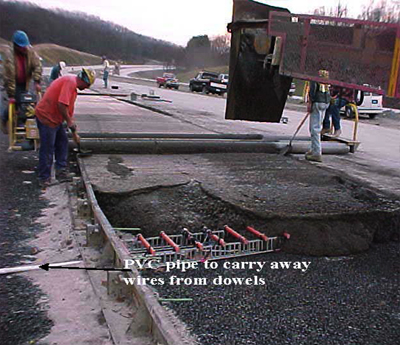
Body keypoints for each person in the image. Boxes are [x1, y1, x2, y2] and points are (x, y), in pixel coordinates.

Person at [34, 68, 96, 187]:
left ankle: (61, 172)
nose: (87, 88)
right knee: (48, 148)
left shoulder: (72, 85)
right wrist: (68, 121)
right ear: (85, 81)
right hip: (47, 117)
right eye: (88, 85)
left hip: (55, 119)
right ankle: (44, 178)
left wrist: (72, 126)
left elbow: (67, 108)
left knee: (62, 143)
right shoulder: (70, 82)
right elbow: (61, 104)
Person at [1, 30, 42, 134]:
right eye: (21, 46)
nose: (24, 48)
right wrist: (11, 95)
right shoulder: (10, 56)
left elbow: (37, 65)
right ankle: (5, 119)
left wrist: (37, 80)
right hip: (14, 82)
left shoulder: (30, 52)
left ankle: (22, 122)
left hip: (25, 81)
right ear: (16, 46)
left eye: (25, 46)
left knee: (27, 101)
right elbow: (9, 76)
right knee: (16, 101)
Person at [306, 70, 331, 163]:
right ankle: (313, 150)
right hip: (325, 102)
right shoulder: (326, 73)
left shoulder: (315, 73)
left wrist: (310, 102)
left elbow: (313, 88)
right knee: (318, 127)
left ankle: (316, 153)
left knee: (314, 129)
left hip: (317, 101)